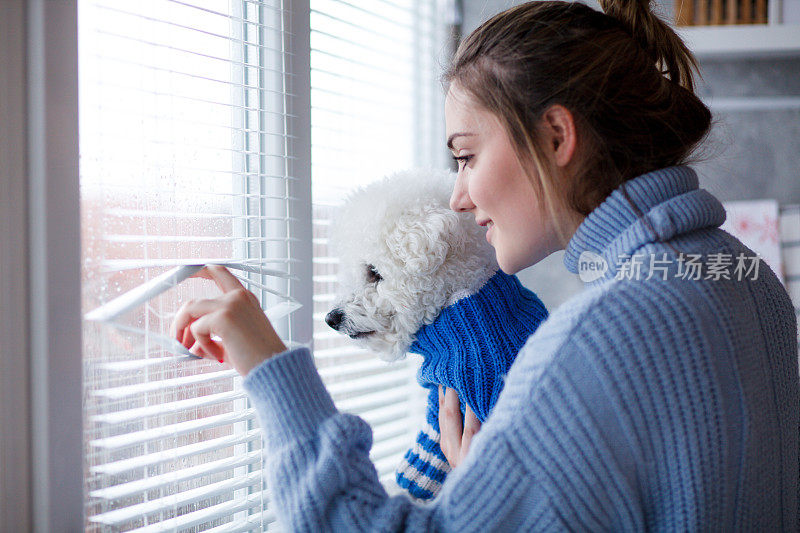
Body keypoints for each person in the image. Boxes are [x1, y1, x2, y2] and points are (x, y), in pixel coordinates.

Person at [171, 0, 800, 530]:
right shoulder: (744, 274)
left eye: (466, 156)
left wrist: (268, 365)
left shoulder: (601, 338)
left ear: (556, 136)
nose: (458, 196)